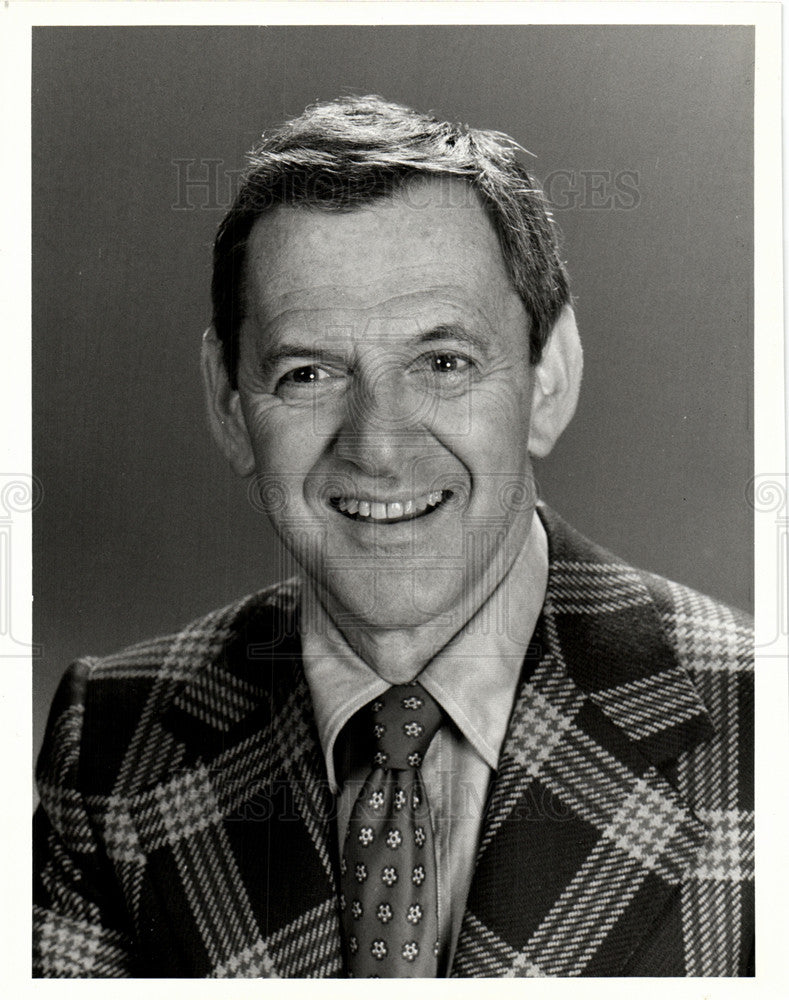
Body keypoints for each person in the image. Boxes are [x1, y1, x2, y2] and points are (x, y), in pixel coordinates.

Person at [33, 96, 753, 978]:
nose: (377, 447)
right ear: (228, 404)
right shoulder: (108, 747)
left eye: (442, 362)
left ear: (549, 376)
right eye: (308, 372)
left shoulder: (764, 732)